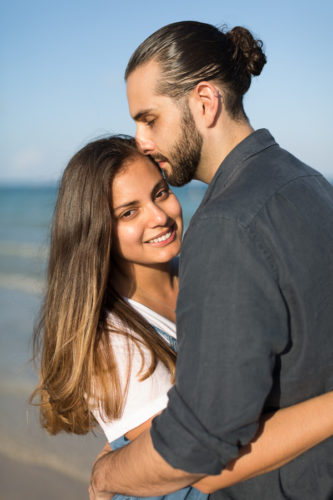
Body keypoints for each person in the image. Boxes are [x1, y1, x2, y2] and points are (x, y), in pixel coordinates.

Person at [89, 21, 333, 500]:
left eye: (150, 118)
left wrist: (107, 475)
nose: (140, 139)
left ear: (204, 102)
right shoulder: (311, 183)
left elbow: (198, 447)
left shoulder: (224, 227)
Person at [32, 136, 333, 500]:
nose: (159, 217)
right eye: (129, 212)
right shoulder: (112, 344)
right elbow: (201, 462)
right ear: (96, 232)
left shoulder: (205, 265)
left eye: (160, 193)